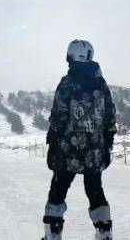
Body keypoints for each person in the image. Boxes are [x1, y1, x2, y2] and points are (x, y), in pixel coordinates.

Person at [42, 39, 116, 240]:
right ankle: (104, 232)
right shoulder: (101, 85)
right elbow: (110, 117)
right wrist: (107, 145)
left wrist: (53, 144)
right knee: (95, 190)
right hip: (94, 151)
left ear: (73, 56)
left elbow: (58, 116)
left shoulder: (67, 82)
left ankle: (53, 234)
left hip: (68, 150)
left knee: (58, 189)